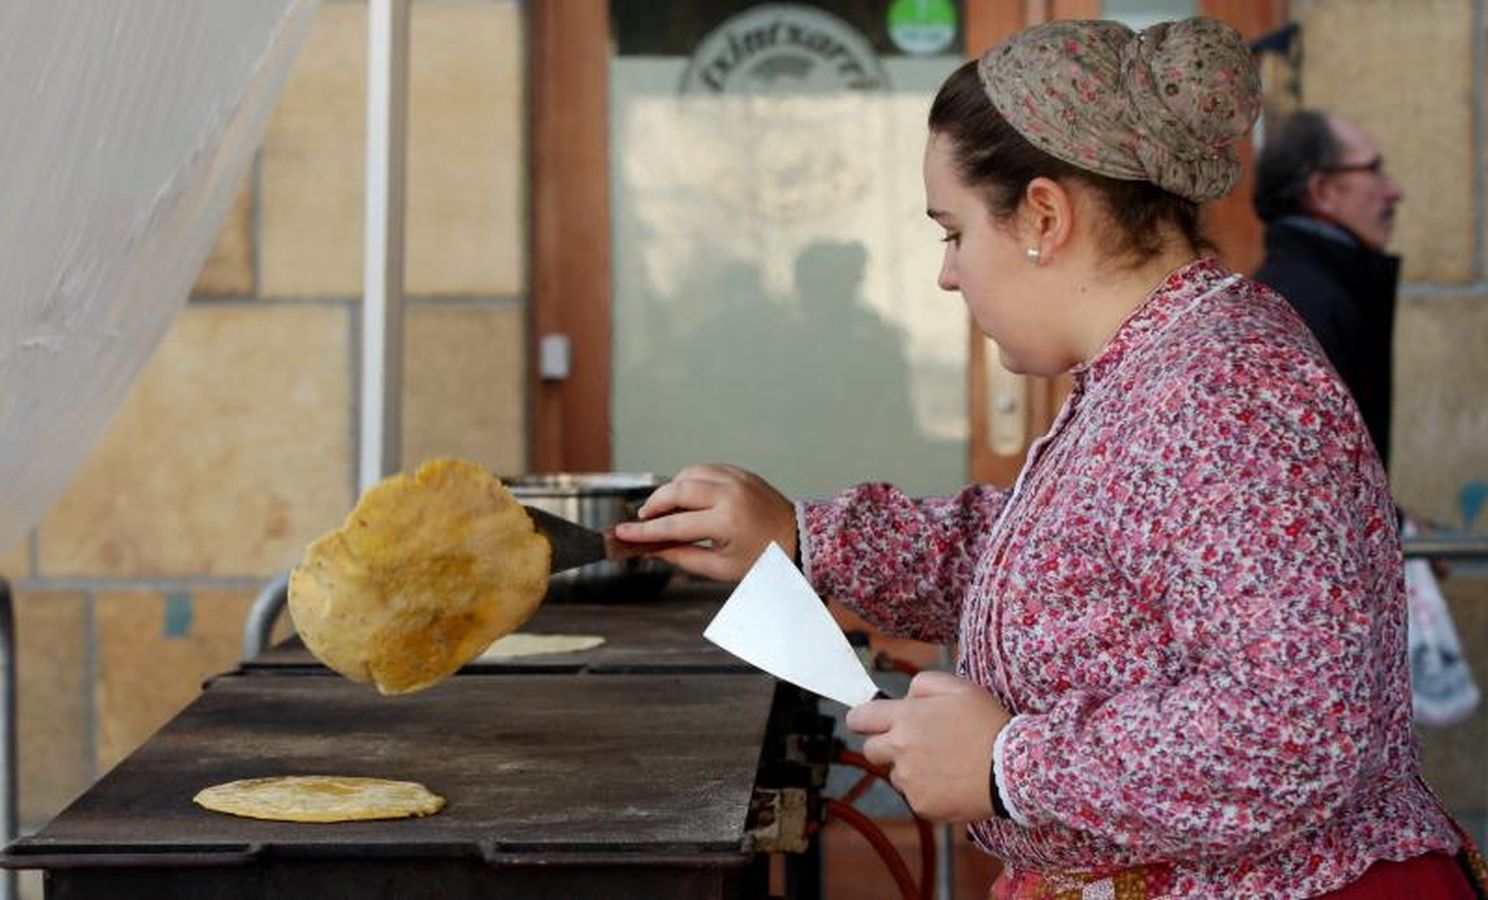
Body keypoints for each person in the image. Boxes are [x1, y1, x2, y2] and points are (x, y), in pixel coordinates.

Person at [616, 17, 1479, 899]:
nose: (948, 274)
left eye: (952, 232)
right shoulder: (1159, 362)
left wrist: (1007, 763)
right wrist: (808, 536)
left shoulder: (1225, 387)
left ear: (1041, 215)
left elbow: (1300, 726)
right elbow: (1061, 563)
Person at [1252, 110, 1403, 469]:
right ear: (1322, 191)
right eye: (1374, 169)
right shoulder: (1306, 305)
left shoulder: (1324, 288)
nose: (1394, 191)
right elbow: (1304, 471)